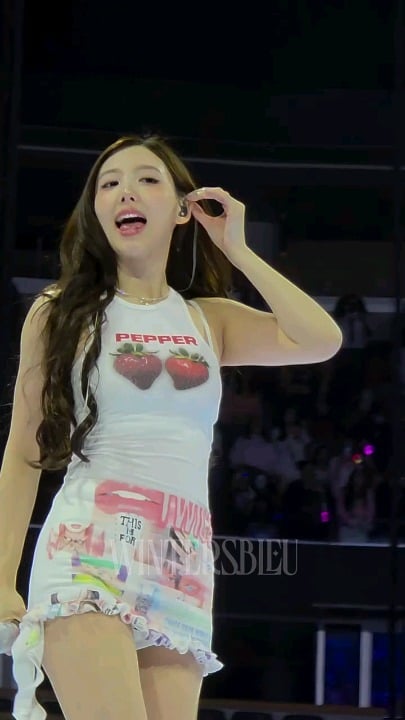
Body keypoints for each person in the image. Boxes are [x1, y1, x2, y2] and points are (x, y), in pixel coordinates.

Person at [0, 134, 343, 720]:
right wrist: (1, 577)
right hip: (89, 546)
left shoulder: (208, 320)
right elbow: (23, 453)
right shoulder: (61, 312)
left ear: (184, 209)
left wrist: (237, 249)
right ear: (96, 209)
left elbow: (321, 339)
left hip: (182, 561)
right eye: (109, 184)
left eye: (147, 179)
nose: (125, 192)